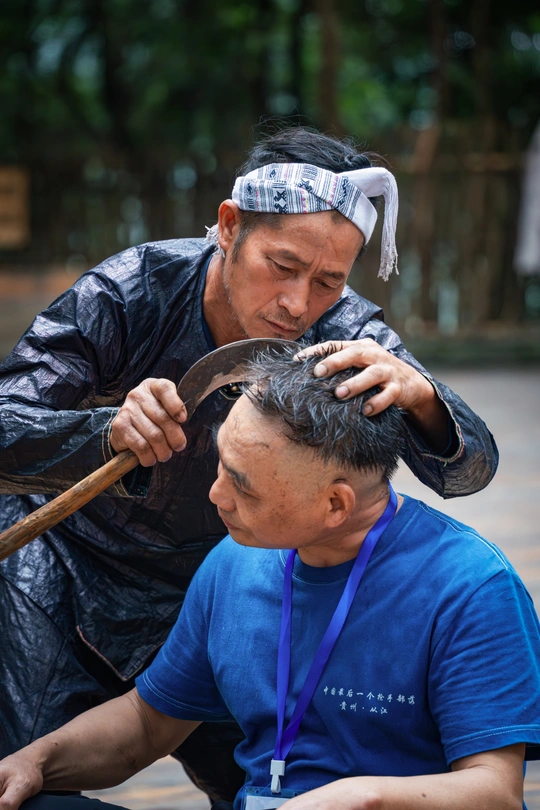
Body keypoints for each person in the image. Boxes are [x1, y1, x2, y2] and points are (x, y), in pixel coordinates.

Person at [0, 128, 499, 802]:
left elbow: (469, 470)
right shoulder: (130, 292)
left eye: (328, 281)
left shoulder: (348, 335)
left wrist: (422, 397)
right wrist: (105, 432)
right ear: (230, 227)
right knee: (22, 782)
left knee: (276, 789)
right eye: (282, 265)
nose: (298, 304)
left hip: (233, 589)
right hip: (67, 574)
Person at [0, 349, 537, 810]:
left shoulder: (469, 587)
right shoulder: (235, 562)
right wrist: (34, 762)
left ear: (335, 505)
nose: (216, 495)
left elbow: (495, 792)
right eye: (220, 465)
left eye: (243, 486)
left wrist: (361, 798)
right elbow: (147, 725)